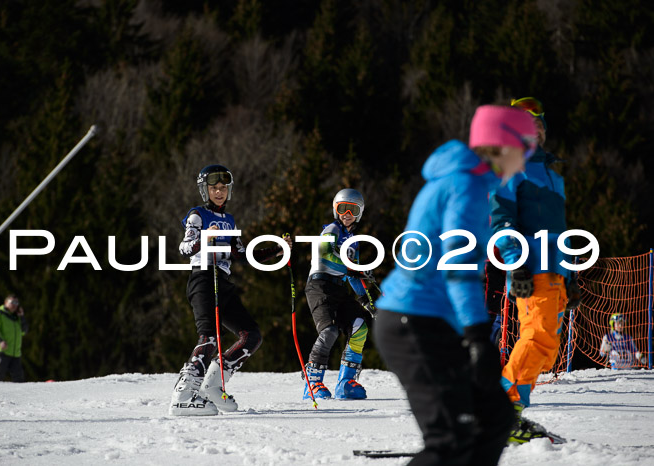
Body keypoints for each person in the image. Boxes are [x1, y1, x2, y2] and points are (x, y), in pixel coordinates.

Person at [374, 105, 537, 465]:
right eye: (525, 149)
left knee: (495, 417)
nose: (526, 161)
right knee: (451, 439)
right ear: (503, 144)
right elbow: (458, 265)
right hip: (411, 320)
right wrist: (478, 335)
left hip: (433, 322)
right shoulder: (464, 184)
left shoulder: (475, 183)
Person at [490, 97, 581, 443]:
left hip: (557, 273)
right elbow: (501, 223)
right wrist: (517, 265)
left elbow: (562, 232)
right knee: (537, 336)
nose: (537, 126)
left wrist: (571, 277)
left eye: (540, 121)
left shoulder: (553, 175)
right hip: (532, 268)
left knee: (545, 348)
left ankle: (513, 415)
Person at [169, 164, 292, 416]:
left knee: (252, 336)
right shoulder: (197, 215)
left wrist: (277, 250)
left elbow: (242, 254)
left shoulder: (229, 220)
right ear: (205, 190)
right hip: (203, 278)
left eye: (223, 188)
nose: (219, 192)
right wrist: (205, 236)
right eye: (213, 188)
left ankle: (212, 386)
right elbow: (184, 248)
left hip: (222, 282)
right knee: (209, 337)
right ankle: (182, 395)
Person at [302, 188, 377, 401]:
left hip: (339, 288)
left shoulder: (354, 241)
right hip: (319, 285)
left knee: (359, 325)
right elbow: (326, 256)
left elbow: (354, 277)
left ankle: (346, 382)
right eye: (342, 208)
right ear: (336, 210)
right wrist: (354, 268)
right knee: (329, 331)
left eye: (352, 210)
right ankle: (312, 382)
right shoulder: (331, 230)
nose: (346, 214)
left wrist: (365, 299)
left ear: (359, 213)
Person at [0, 294, 28, 382]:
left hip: (15, 353)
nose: (15, 305)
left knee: (19, 377)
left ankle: (20, 395)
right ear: (6, 303)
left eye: (17, 303)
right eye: (12, 302)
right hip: (1, 350)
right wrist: (0, 341)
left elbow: (24, 331)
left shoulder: (16, 318)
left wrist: (22, 317)